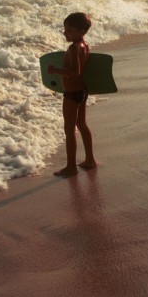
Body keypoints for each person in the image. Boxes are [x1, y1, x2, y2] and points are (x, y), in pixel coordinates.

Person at [47, 12, 96, 177]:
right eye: (65, 29)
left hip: (72, 93)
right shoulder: (85, 45)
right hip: (82, 91)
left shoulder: (74, 48)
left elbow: (75, 71)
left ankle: (70, 166)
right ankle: (90, 160)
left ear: (81, 31)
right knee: (82, 124)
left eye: (69, 30)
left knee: (69, 130)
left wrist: (55, 70)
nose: (65, 33)